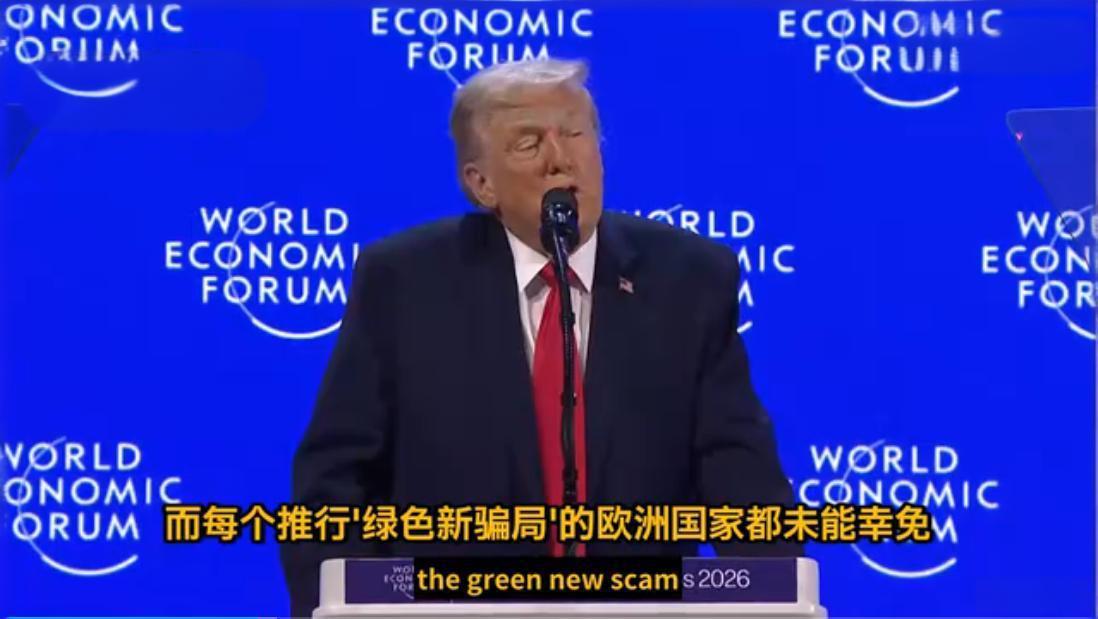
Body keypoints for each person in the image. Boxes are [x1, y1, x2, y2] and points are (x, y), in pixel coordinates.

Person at [280, 57, 799, 617]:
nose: (561, 159)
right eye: (529, 144)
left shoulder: (687, 279)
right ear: (481, 184)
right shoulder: (405, 282)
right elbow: (334, 485)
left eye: (575, 134)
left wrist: (777, 600)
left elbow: (742, 479)